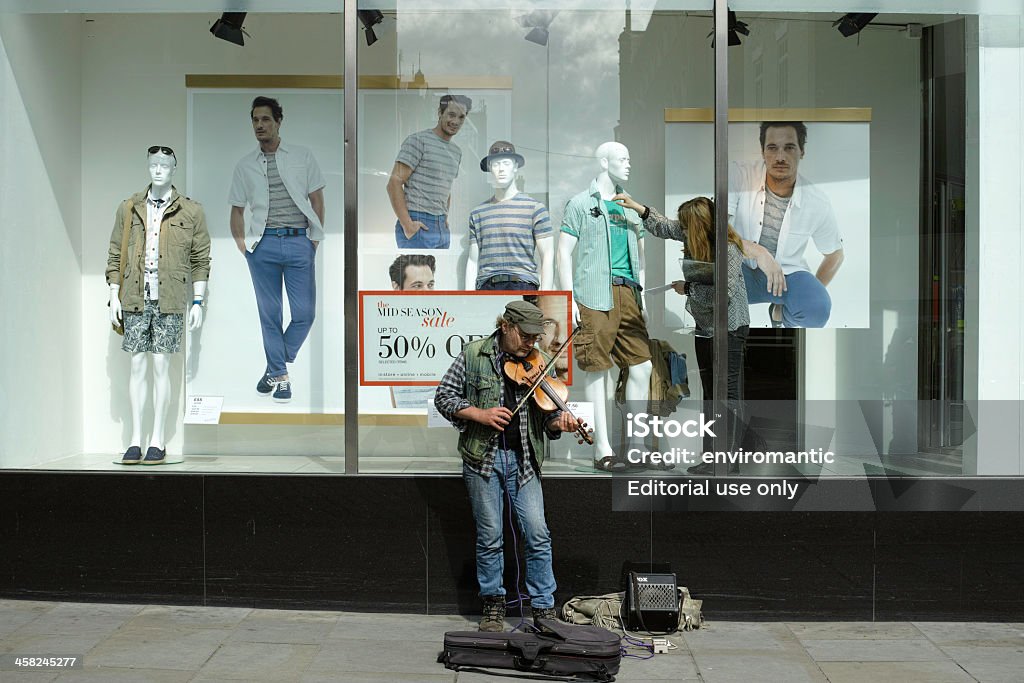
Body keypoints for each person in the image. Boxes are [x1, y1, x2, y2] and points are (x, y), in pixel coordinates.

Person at [434, 301, 582, 632]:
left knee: (537, 532)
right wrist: (479, 414)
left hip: (525, 460)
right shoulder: (474, 354)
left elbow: (550, 418)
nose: (532, 344)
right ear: (506, 327)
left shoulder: (542, 362)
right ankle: (493, 605)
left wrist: (562, 424)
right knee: (490, 536)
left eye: (535, 338)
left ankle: (544, 608)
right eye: (526, 336)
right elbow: (444, 397)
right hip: (482, 459)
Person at [615, 194, 750, 474]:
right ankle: (712, 459)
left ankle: (729, 462)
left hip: (730, 330)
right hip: (705, 329)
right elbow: (664, 227)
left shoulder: (728, 250)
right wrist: (639, 208)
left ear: (701, 225)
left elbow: (722, 295)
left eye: (687, 227)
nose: (683, 231)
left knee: (728, 395)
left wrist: (688, 289)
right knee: (711, 396)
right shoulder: (692, 234)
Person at [107, 145, 211, 465]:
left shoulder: (191, 211)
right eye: (153, 164)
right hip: (136, 296)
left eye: (164, 165)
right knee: (137, 365)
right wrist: (114, 293)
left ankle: (158, 440)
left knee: (161, 366)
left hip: (169, 298)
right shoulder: (129, 208)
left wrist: (198, 301)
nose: (158, 170)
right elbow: (115, 252)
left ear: (174, 169)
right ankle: (135, 439)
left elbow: (200, 259)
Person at [556, 141, 652, 470]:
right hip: (594, 293)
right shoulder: (581, 203)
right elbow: (563, 252)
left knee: (643, 367)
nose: (628, 164)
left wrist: (643, 297)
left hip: (629, 294)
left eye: (629, 158)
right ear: (604, 161)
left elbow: (641, 258)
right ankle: (602, 448)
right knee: (597, 367)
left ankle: (636, 446)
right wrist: (567, 297)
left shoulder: (629, 206)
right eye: (622, 158)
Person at [229, 96, 326, 404]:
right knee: (269, 314)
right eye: (255, 120)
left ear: (278, 122)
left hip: (299, 241)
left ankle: (273, 368)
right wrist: (244, 247)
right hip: (263, 245)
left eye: (266, 119)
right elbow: (236, 209)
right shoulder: (245, 165)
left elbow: (317, 200)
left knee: (305, 314)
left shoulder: (302, 155)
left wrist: (313, 240)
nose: (260, 125)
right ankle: (282, 379)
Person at [730, 121, 845, 328]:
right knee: (706, 292)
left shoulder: (817, 201)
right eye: (772, 148)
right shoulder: (739, 174)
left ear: (802, 151)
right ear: (762, 151)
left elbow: (835, 254)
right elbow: (716, 229)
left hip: (785, 276)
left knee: (816, 307)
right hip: (738, 269)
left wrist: (810, 293)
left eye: (789, 148)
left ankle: (779, 312)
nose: (780, 157)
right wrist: (759, 253)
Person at [387, 94, 472, 249]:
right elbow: (394, 182)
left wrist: (444, 218)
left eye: (461, 117)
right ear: (440, 112)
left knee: (440, 273)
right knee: (415, 274)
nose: (456, 122)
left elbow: (446, 187)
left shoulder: (456, 152)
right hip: (418, 222)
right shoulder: (418, 141)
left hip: (441, 226)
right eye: (451, 115)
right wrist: (407, 225)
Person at [465, 141, 553, 291]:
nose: (501, 169)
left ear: (515, 167)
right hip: (487, 286)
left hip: (523, 284)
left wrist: (545, 297)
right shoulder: (478, 213)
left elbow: (548, 256)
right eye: (495, 164)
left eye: (506, 163)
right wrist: (467, 298)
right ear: (490, 169)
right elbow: (473, 261)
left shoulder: (535, 209)